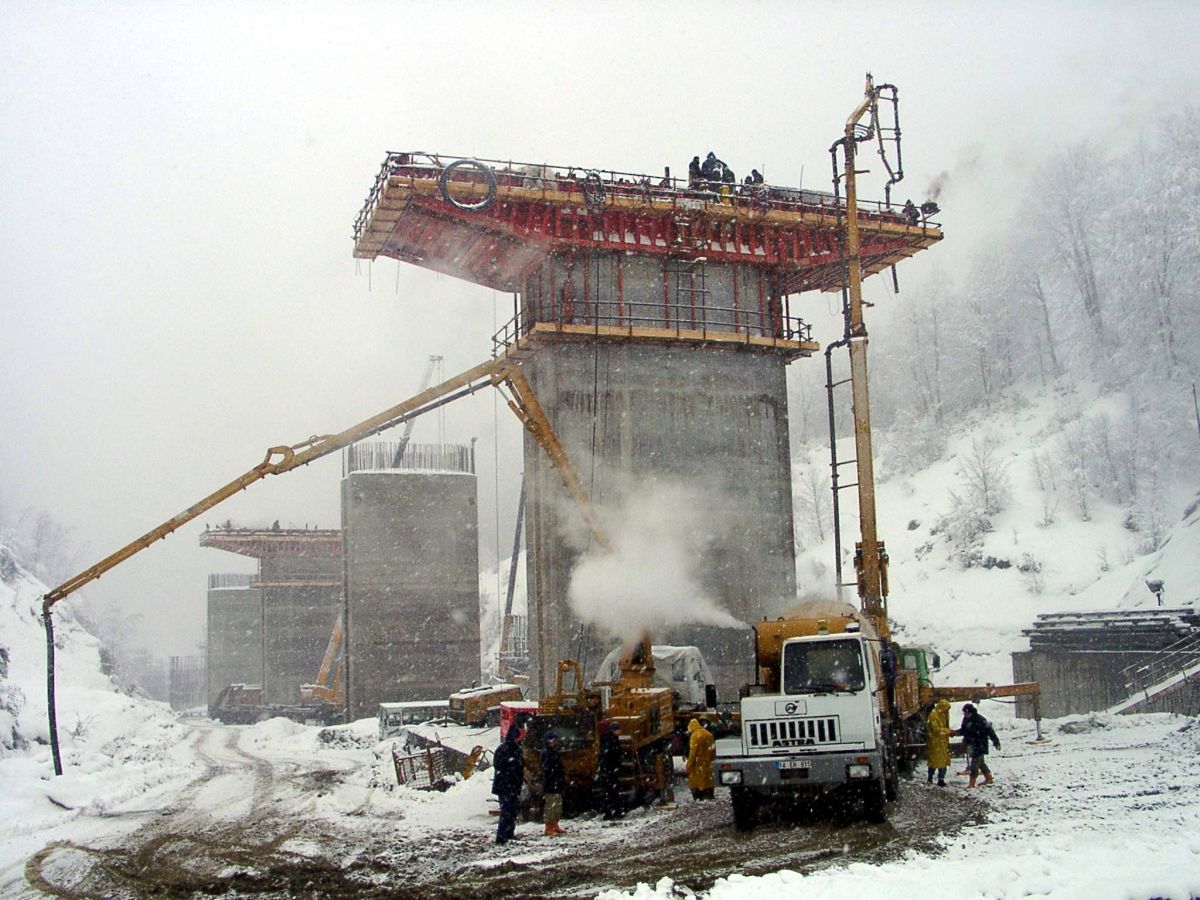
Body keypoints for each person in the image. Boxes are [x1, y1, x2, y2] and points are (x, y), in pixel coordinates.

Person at [491, 723, 525, 844]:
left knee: (512, 811)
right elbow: (499, 765)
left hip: (510, 785)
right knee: (507, 811)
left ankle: (508, 833)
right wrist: (513, 765)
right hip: (507, 785)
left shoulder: (510, 748)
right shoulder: (506, 749)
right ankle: (502, 836)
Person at [955, 703, 1000, 787]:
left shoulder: (980, 720)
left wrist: (996, 742)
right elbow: (964, 730)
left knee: (974, 765)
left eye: (966, 713)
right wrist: (955, 732)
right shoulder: (966, 719)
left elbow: (990, 731)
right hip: (972, 744)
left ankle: (971, 784)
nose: (965, 715)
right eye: (964, 713)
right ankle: (988, 778)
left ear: (971, 712)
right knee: (981, 763)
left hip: (980, 744)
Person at [540, 730, 567, 836]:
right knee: (550, 806)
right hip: (550, 783)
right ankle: (549, 827)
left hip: (556, 782)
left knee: (557, 806)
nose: (553, 742)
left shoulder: (554, 752)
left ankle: (555, 824)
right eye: (551, 740)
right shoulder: (546, 753)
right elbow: (546, 768)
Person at [597, 720, 624, 821]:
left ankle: (609, 812)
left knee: (608, 791)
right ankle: (614, 811)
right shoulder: (611, 740)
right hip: (610, 769)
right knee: (613, 791)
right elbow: (612, 754)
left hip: (607, 769)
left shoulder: (606, 739)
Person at [684, 718, 715, 801]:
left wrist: (688, 766)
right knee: (707, 780)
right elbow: (713, 749)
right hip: (708, 763)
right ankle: (709, 796)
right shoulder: (709, 734)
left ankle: (698, 798)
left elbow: (692, 753)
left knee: (695, 782)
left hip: (697, 764)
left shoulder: (694, 736)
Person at [925, 699, 952, 786]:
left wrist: (947, 732)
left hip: (942, 742)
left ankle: (940, 778)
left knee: (941, 761)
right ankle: (931, 777)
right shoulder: (934, 715)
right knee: (935, 761)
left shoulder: (943, 714)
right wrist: (948, 732)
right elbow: (936, 730)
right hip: (935, 742)